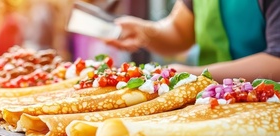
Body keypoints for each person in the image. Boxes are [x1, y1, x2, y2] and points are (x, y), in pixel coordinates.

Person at [105, 0, 280, 82]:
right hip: (211, 105)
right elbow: (180, 32)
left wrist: (192, 75)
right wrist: (144, 31)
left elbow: (276, 63)